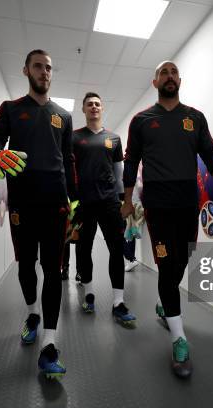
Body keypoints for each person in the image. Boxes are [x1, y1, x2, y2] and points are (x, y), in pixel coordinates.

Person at [121, 61, 213, 378]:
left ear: (179, 80)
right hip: (158, 204)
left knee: (182, 258)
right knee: (165, 263)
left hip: (188, 202)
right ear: (155, 80)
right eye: (164, 72)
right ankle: (179, 338)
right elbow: (131, 160)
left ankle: (165, 300)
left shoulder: (194, 118)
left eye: (174, 73)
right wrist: (127, 199)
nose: (170, 76)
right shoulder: (141, 120)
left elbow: (211, 154)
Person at [0, 49, 76, 379]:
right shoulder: (10, 109)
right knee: (26, 265)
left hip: (55, 205)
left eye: (49, 67)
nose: (44, 72)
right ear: (26, 70)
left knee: (53, 270)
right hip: (22, 203)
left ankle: (49, 345)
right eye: (38, 66)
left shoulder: (63, 116)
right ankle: (32, 314)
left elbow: (68, 160)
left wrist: (74, 200)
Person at [73, 92, 136, 327]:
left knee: (116, 250)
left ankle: (118, 303)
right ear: (84, 109)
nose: (94, 107)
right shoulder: (74, 137)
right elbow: (69, 172)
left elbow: (119, 172)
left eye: (97, 104)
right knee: (83, 249)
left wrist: (124, 201)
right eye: (89, 104)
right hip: (84, 203)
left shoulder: (114, 138)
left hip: (110, 202)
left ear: (102, 108)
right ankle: (89, 293)